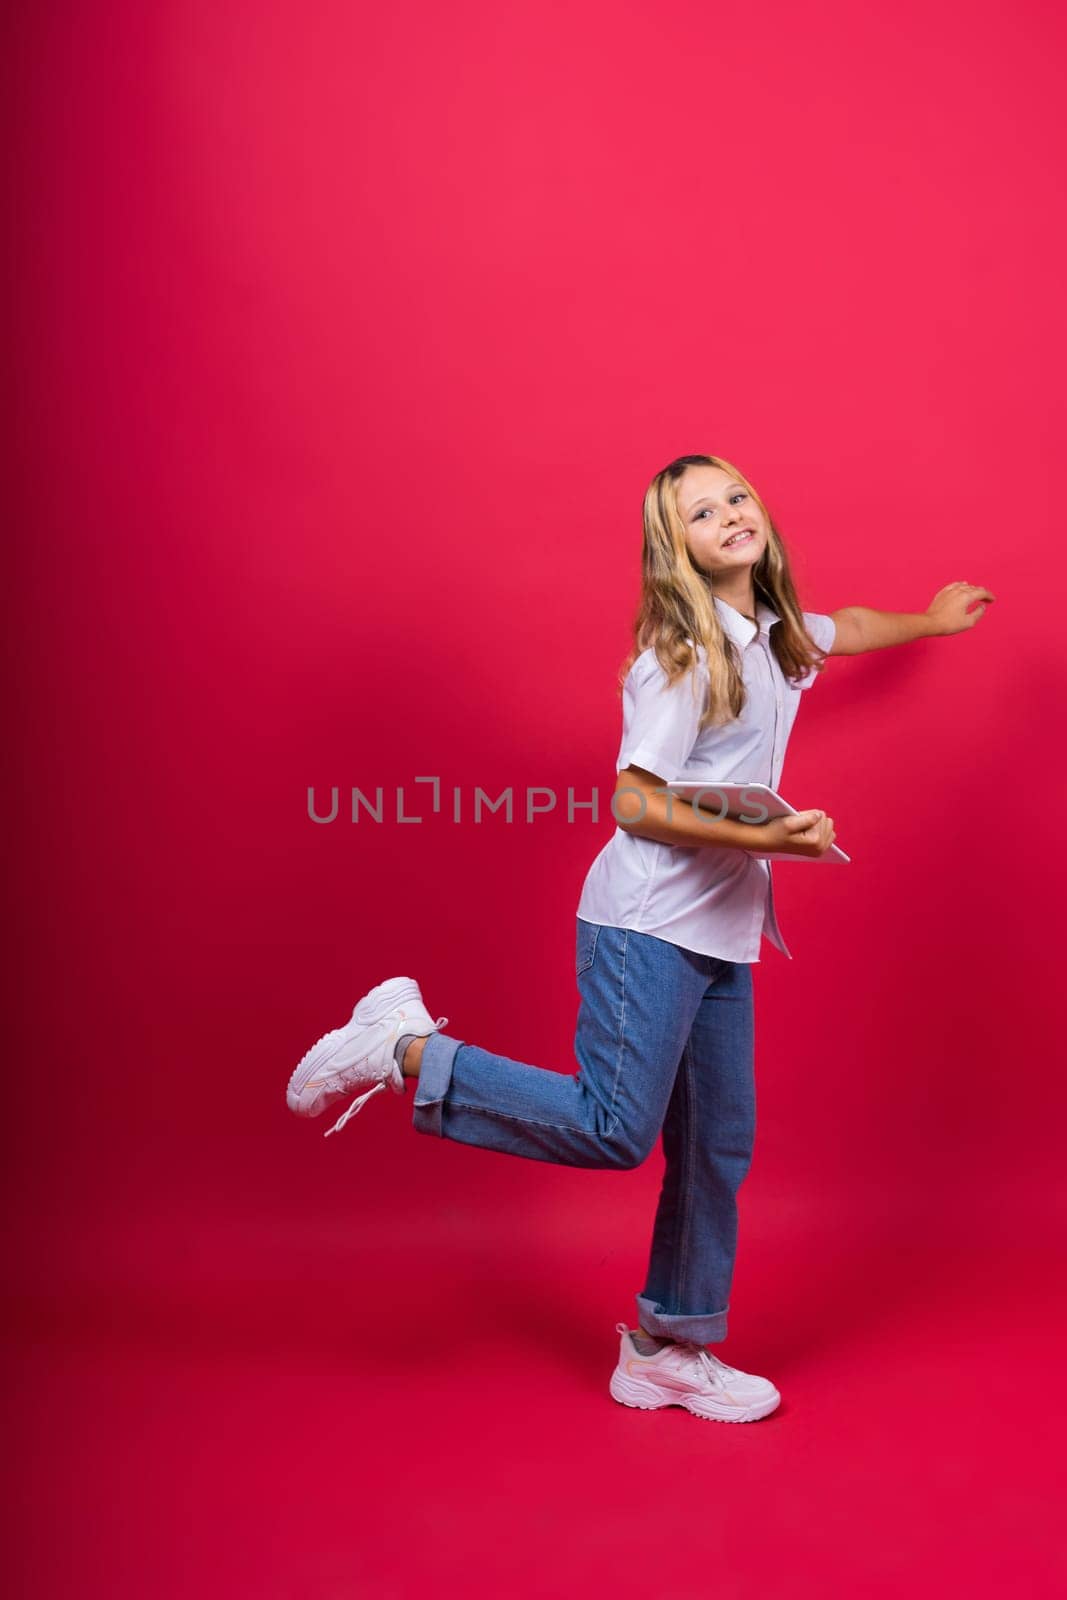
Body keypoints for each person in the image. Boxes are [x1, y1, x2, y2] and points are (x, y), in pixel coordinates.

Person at [286, 452, 994, 1424]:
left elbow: (847, 629)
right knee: (614, 1128)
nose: (730, 514)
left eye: (736, 495)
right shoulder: (683, 657)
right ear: (680, 551)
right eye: (701, 512)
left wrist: (930, 617)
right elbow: (633, 800)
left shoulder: (773, 634)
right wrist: (763, 831)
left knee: (715, 1145)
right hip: (645, 923)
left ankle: (668, 1347)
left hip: (720, 931)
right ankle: (405, 1046)